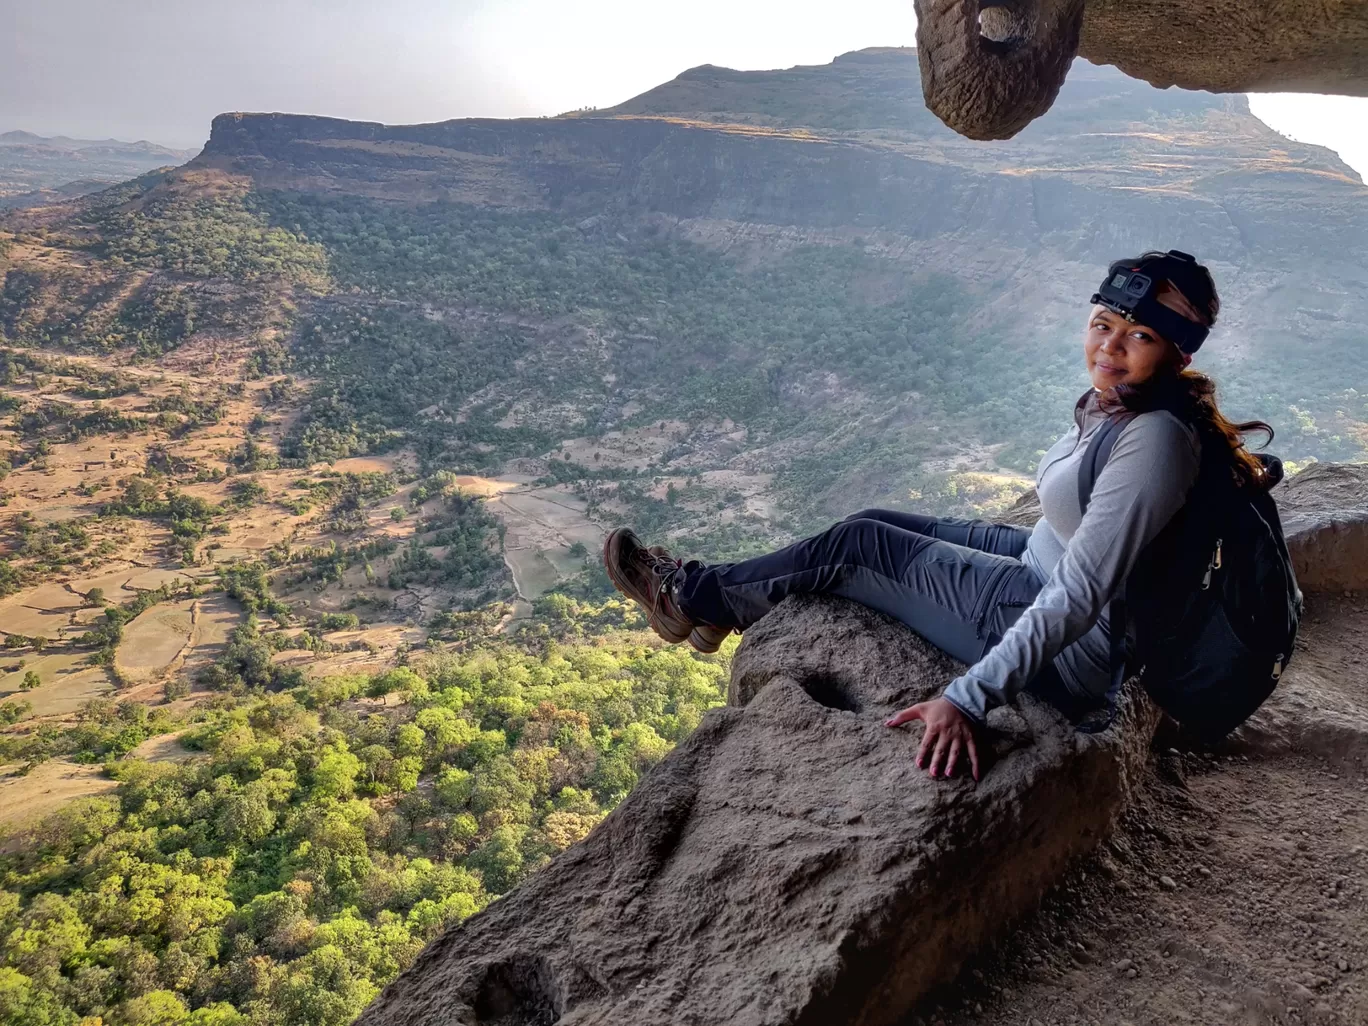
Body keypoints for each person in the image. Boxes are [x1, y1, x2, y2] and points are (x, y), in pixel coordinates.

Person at [601, 251, 1274, 782]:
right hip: (1036, 559)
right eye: (1104, 324)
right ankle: (716, 605)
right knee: (872, 518)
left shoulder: (1155, 439)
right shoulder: (1125, 404)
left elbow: (1078, 597)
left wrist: (968, 698)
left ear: (1178, 354)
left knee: (862, 546)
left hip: (1069, 652)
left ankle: (688, 597)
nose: (1111, 346)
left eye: (1140, 336)